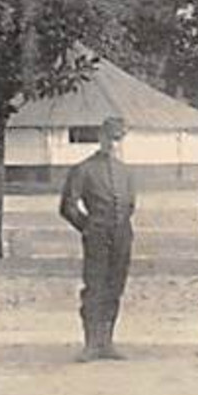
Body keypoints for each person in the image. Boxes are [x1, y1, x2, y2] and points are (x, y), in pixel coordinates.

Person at [58, 116, 138, 362]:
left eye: (118, 139)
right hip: (97, 237)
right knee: (95, 287)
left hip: (122, 236)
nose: (114, 144)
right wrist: (88, 227)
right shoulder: (84, 170)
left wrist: (120, 226)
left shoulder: (126, 172)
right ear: (101, 138)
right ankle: (91, 344)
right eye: (110, 138)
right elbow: (67, 207)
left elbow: (130, 204)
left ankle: (107, 342)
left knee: (115, 287)